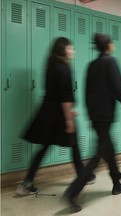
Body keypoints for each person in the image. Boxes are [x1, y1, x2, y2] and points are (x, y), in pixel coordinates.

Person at [16, 37, 95, 195]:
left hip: (47, 113)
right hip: (59, 115)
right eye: (70, 48)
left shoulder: (51, 66)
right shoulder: (64, 68)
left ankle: (26, 182)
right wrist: (68, 119)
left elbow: (56, 93)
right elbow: (65, 97)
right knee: (74, 144)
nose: (73, 51)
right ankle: (82, 176)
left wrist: (69, 111)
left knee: (44, 147)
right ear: (63, 50)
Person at [63, 33, 121, 212]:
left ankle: (117, 183)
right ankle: (72, 191)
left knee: (108, 148)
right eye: (112, 43)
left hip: (95, 115)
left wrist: (90, 113)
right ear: (108, 45)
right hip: (105, 115)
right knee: (98, 155)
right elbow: (118, 87)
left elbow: (86, 92)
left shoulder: (91, 65)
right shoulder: (110, 62)